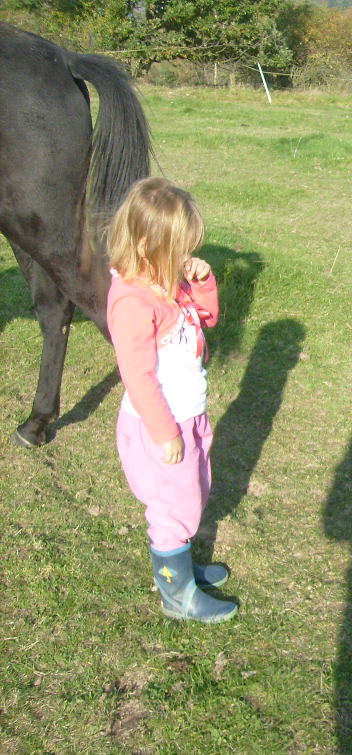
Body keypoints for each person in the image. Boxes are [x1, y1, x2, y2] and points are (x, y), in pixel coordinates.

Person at [106, 177, 236, 624]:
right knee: (171, 508)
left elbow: (208, 318)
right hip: (160, 427)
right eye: (178, 251)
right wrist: (165, 433)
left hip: (187, 417)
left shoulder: (170, 285)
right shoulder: (133, 303)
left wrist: (201, 282)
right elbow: (137, 376)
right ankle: (176, 594)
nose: (185, 259)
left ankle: (178, 566)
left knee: (189, 499)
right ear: (146, 247)